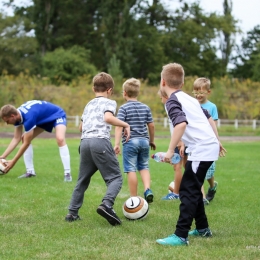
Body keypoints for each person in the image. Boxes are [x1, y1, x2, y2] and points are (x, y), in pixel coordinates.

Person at [156, 63, 226, 247]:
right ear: (182, 82)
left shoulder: (172, 100)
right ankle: (203, 229)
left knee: (187, 190)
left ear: (163, 81)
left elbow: (181, 124)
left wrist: (170, 150)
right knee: (193, 188)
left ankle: (180, 236)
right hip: (205, 147)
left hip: (201, 149)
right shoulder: (188, 98)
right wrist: (217, 141)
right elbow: (208, 118)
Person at [65, 72, 130, 226]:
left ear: (94, 88)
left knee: (82, 180)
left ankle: (72, 213)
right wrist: (125, 124)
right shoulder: (109, 102)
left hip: (85, 143)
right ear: (109, 90)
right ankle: (106, 205)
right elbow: (108, 118)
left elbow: (81, 127)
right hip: (99, 141)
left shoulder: (89, 104)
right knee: (115, 178)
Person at [0, 100, 72, 182]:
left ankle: (67, 174)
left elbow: (26, 144)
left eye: (7, 121)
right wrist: (3, 156)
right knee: (24, 138)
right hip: (42, 119)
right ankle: (30, 172)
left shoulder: (28, 117)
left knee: (60, 138)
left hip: (56, 115)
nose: (7, 123)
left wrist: (13, 162)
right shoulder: (17, 116)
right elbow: (16, 138)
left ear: (12, 116)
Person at [114, 78, 156, 203]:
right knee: (144, 166)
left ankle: (134, 197)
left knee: (130, 169)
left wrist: (116, 144)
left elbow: (119, 126)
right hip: (144, 141)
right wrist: (151, 140)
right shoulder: (145, 107)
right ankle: (147, 189)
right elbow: (151, 125)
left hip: (130, 141)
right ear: (137, 93)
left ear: (125, 93)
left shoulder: (123, 108)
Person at [192, 77, 219, 204]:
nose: (198, 95)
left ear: (208, 92)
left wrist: (217, 142)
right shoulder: (192, 105)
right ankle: (202, 198)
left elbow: (214, 125)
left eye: (201, 92)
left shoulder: (212, 107)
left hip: (209, 142)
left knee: (209, 172)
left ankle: (212, 187)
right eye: (196, 92)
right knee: (198, 170)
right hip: (197, 142)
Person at [157, 89, 187, 200]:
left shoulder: (169, 104)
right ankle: (191, 192)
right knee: (187, 166)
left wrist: (179, 141)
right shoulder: (179, 102)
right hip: (183, 139)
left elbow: (178, 124)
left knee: (177, 166)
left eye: (161, 98)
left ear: (165, 96)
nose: (161, 100)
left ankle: (176, 194)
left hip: (180, 140)